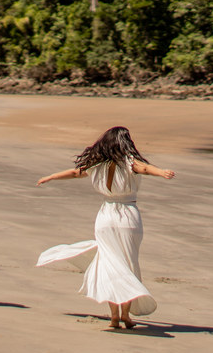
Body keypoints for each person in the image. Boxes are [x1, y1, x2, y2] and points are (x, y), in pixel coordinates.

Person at [35, 126, 175, 329]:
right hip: (127, 216)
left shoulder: (97, 165)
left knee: (111, 263)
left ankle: (114, 317)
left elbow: (75, 173)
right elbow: (143, 168)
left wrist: (51, 176)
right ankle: (126, 315)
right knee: (128, 263)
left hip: (105, 217)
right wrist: (162, 172)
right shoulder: (129, 162)